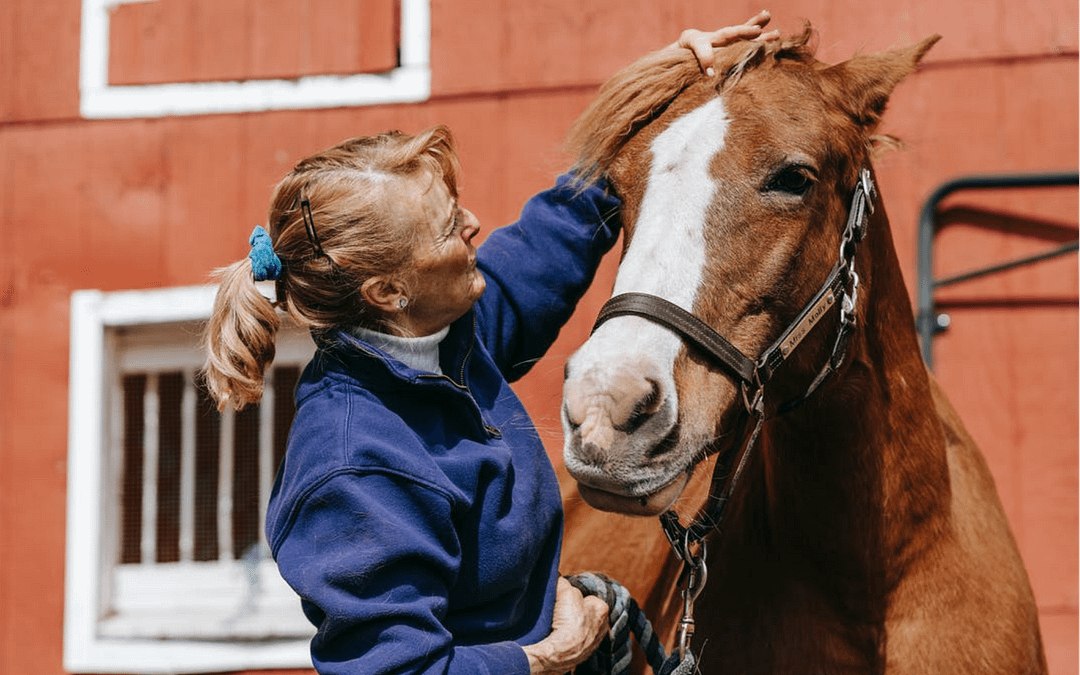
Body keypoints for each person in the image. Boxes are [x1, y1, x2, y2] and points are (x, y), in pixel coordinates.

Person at [203, 13, 777, 675]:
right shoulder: (354, 466)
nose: (474, 224)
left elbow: (547, 242)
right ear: (389, 291)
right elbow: (398, 670)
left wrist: (665, 83)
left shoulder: (442, 342)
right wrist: (546, 656)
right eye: (449, 226)